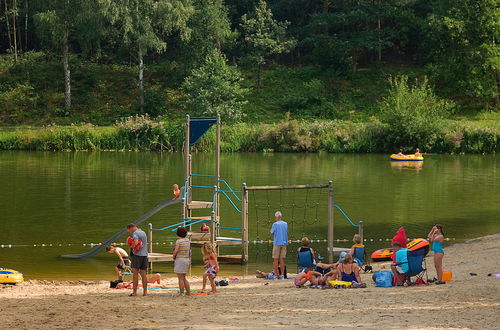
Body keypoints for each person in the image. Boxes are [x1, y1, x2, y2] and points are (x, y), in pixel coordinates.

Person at [126, 223, 148, 296]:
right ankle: (145, 292)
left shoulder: (135, 233)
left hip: (137, 255)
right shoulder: (143, 232)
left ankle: (135, 292)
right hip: (144, 255)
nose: (130, 232)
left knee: (135, 274)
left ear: (131, 228)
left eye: (129, 231)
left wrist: (131, 247)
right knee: (144, 274)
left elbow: (135, 242)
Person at [270, 211, 288, 280]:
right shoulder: (285, 224)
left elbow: (271, 232)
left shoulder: (275, 224)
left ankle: (276, 275)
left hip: (277, 243)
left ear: (277, 217)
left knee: (275, 259)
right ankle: (282, 275)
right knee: (282, 259)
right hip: (284, 243)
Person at [173, 226, 191, 296]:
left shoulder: (178, 241)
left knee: (180, 278)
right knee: (184, 277)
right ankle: (188, 292)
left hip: (180, 259)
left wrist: (174, 256)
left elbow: (176, 250)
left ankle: (181, 292)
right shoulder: (188, 240)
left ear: (178, 234)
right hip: (186, 259)